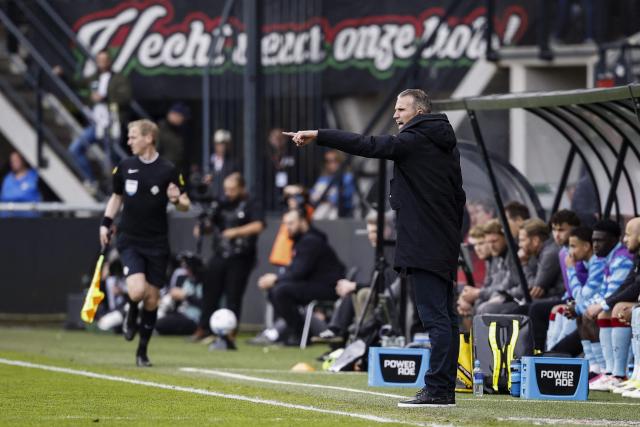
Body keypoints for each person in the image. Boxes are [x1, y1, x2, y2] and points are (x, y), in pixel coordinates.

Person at [285, 88, 466, 407]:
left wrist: (318, 134)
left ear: (419, 113)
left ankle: (438, 389)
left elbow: (367, 145)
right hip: (442, 241)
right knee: (446, 317)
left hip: (425, 243)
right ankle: (444, 388)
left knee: (436, 318)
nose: (395, 115)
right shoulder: (443, 144)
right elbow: (458, 197)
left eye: (401, 110)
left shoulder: (415, 140)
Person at [99, 119, 190, 367]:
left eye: (133, 136)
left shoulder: (168, 169)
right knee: (137, 291)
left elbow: (185, 204)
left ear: (149, 138)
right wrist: (105, 224)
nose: (129, 141)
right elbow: (116, 198)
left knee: (151, 299)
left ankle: (142, 352)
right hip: (130, 239)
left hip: (157, 243)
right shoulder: (125, 166)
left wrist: (175, 199)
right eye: (129, 137)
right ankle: (130, 312)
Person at [192, 172, 265, 347]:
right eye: (226, 189)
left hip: (241, 255)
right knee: (210, 291)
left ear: (241, 188)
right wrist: (203, 226)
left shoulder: (251, 203)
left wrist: (235, 232)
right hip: (220, 253)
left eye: (232, 189)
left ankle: (230, 332)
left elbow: (259, 225)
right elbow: (207, 227)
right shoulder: (220, 203)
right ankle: (204, 328)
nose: (229, 193)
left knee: (234, 295)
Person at [257, 208, 345, 346]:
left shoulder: (311, 241)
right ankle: (290, 332)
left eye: (291, 223)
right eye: (285, 224)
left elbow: (298, 272)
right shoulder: (302, 241)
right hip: (314, 284)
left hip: (327, 287)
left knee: (280, 291)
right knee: (277, 290)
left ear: (303, 221)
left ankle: (299, 334)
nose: (287, 228)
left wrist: (275, 279)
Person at [62, 49, 132, 185]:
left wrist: (105, 97)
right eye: (99, 60)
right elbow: (78, 84)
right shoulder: (94, 77)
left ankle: (114, 189)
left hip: (112, 123)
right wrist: (63, 75)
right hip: (96, 123)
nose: (102, 63)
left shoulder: (119, 78)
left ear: (109, 61)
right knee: (75, 149)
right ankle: (92, 180)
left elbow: (126, 97)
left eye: (104, 60)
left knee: (111, 159)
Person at [309, 149, 356, 219]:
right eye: (328, 161)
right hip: (321, 207)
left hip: (340, 210)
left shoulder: (347, 177)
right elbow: (312, 194)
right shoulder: (323, 178)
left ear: (340, 161)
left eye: (335, 161)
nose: (331, 164)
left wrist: (330, 199)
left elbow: (347, 195)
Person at [0, 151, 41, 217]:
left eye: (16, 160)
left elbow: (29, 194)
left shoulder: (33, 175)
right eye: (12, 161)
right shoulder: (8, 178)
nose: (14, 163)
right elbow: (5, 195)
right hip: (8, 218)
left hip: (29, 218)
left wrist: (16, 196)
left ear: (22, 160)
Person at [203, 129, 238, 201]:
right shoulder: (209, 162)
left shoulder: (233, 163)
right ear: (215, 145)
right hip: (209, 200)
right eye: (220, 144)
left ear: (229, 145)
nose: (222, 147)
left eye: (225, 144)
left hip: (226, 201)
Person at [157, 102, 190, 173]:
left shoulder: (180, 131)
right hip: (162, 171)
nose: (182, 120)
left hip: (176, 171)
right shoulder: (160, 130)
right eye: (181, 117)